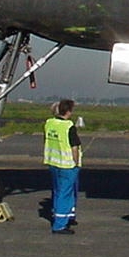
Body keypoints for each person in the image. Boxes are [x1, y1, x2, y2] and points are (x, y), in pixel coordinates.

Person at [43, 99, 81, 234]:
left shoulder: (49, 123)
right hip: (67, 164)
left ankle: (66, 216)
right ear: (69, 111)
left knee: (59, 191)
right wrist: (76, 162)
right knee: (65, 193)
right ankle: (59, 224)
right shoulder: (69, 126)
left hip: (53, 162)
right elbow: (74, 147)